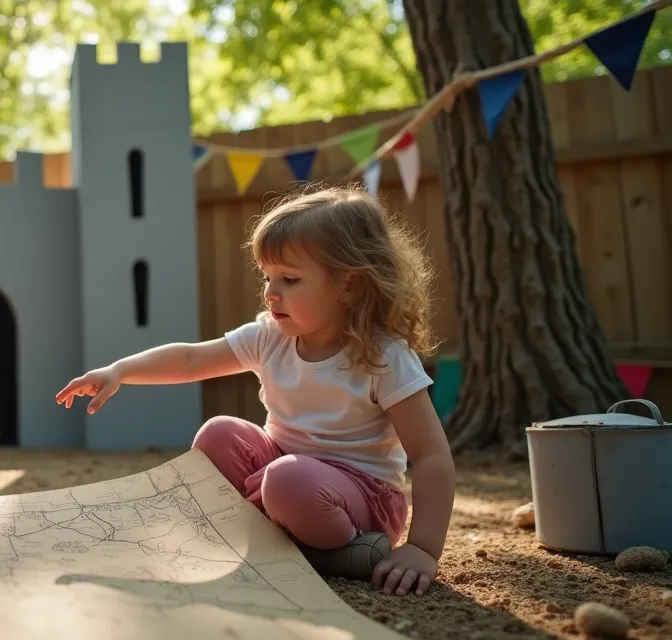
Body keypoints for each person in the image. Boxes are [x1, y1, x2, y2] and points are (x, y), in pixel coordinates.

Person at [56, 185, 454, 597]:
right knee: (218, 433)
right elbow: (192, 360)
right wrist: (120, 371)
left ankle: (347, 550)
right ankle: (284, 541)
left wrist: (423, 548)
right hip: (281, 474)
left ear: (349, 284)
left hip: (359, 502)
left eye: (290, 279)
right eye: (268, 276)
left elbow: (431, 456)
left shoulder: (383, 355)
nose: (271, 291)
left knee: (287, 480)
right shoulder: (271, 336)